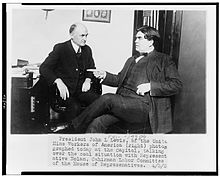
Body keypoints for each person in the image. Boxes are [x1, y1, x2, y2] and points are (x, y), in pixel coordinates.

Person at [53, 25, 182, 134]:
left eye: (139, 38)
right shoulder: (131, 60)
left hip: (143, 106)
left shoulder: (164, 60)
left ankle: (71, 127)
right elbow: (119, 79)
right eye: (135, 38)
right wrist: (104, 75)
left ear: (150, 41)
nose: (135, 41)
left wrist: (150, 86)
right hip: (123, 103)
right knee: (96, 123)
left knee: (107, 98)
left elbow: (176, 85)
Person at [39, 23, 100, 128]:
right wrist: (58, 81)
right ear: (71, 35)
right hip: (65, 92)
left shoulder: (87, 50)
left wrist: (88, 79)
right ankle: (70, 132)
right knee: (74, 107)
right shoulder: (60, 48)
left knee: (99, 102)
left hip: (81, 90)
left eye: (86, 35)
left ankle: (90, 131)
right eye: (82, 35)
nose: (85, 39)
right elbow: (44, 68)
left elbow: (91, 68)